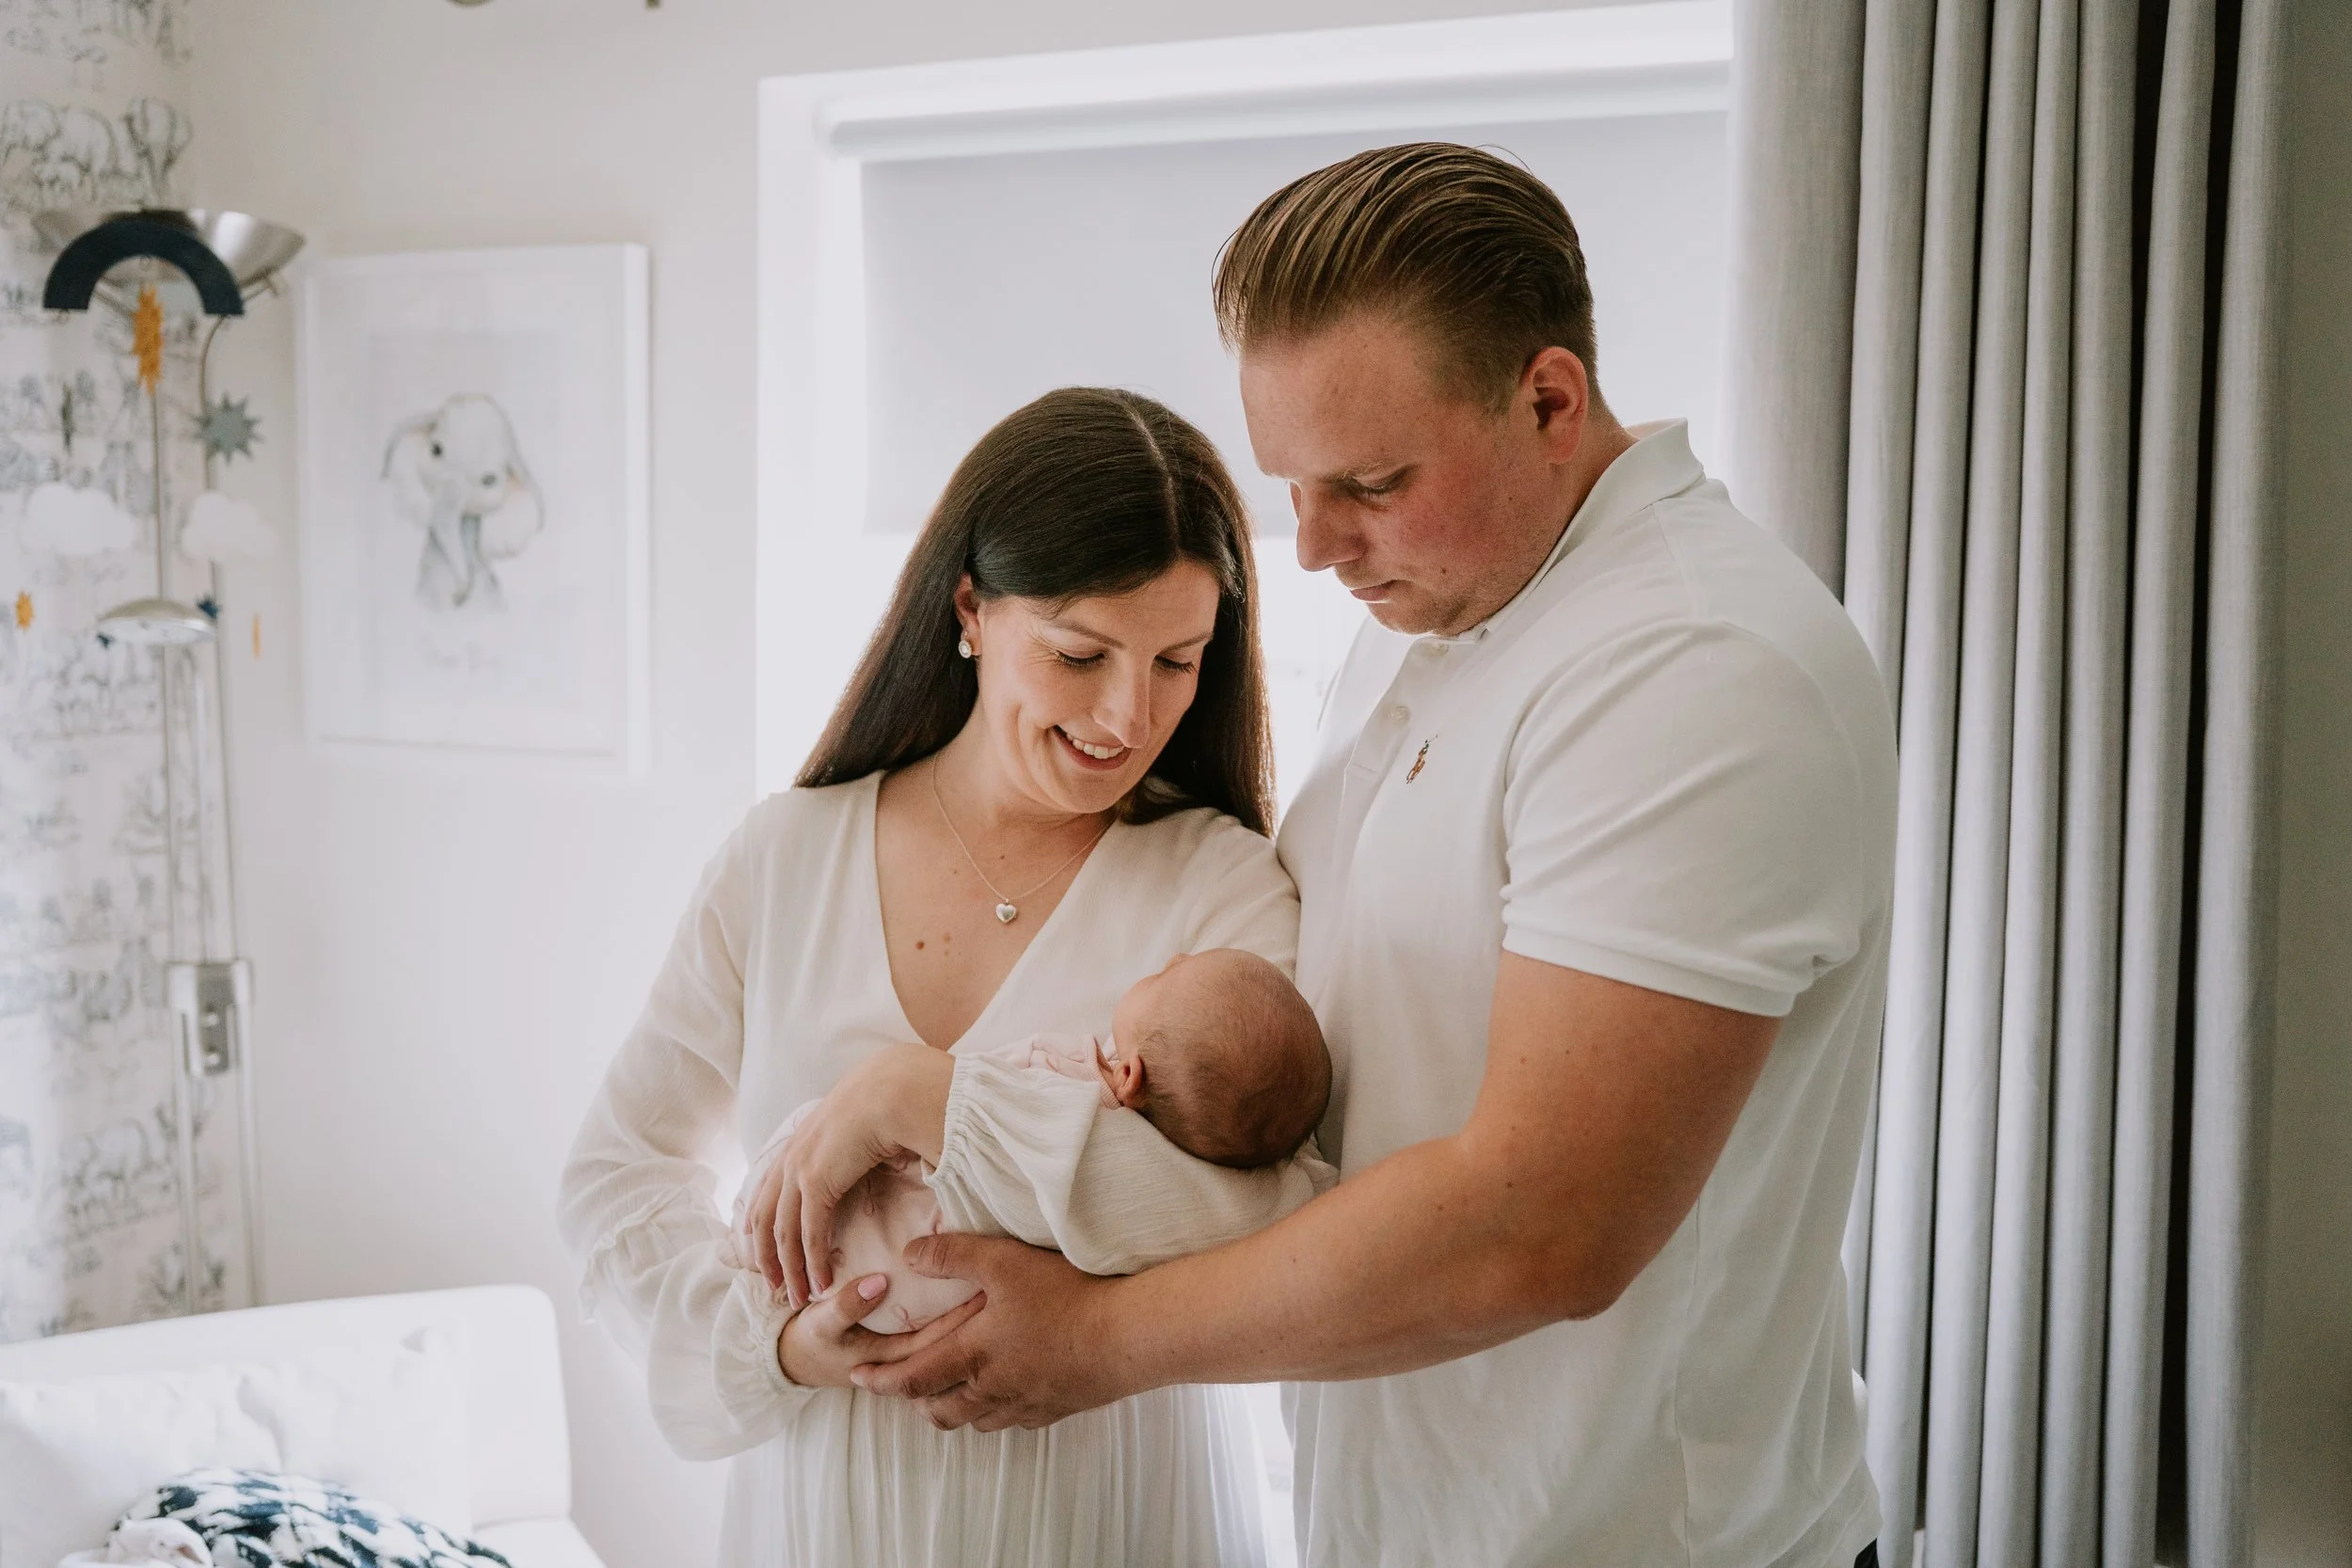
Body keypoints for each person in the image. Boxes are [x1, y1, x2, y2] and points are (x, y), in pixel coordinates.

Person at [762, 144, 1901, 1567]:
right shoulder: (1438, 609)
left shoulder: (1694, 665)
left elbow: (1540, 1225)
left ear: (1550, 400)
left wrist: (1097, 1339)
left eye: (1369, 479)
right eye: (1291, 483)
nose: (1310, 549)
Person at [559, 387, 1336, 1568]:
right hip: (829, 1512)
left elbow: (1275, 1215)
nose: (1128, 716)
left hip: (1117, 1513)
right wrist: (776, 1344)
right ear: (971, 608)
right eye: (1080, 653)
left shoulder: (1219, 888)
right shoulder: (786, 856)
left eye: (1177, 661)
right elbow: (613, 1176)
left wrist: (919, 1098)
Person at [726, 947, 1332, 1337]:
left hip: (850, 1238)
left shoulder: (1071, 1102)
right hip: (883, 1300)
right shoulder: (1182, 1199)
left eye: (1166, 975)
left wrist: (897, 1094)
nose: (1172, 957)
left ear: (1130, 1076)